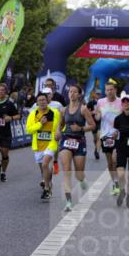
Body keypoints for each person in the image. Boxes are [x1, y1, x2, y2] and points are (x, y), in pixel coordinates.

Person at [57, 83, 96, 212]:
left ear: (79, 95)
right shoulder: (64, 110)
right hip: (66, 140)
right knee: (67, 170)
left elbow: (93, 125)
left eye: (75, 92)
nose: (72, 94)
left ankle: (82, 180)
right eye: (70, 91)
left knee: (79, 173)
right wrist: (58, 131)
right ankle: (68, 202)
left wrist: (80, 128)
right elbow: (60, 124)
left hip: (79, 141)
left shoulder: (83, 109)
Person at [25, 92, 61, 201]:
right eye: (40, 100)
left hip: (51, 143)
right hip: (38, 145)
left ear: (47, 101)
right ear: (37, 102)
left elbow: (61, 125)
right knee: (43, 169)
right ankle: (48, 183)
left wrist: (59, 132)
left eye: (44, 100)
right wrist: (40, 124)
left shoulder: (55, 112)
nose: (42, 102)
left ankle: (46, 189)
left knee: (45, 164)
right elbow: (28, 130)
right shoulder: (33, 114)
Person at [94, 82, 124, 196]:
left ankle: (119, 182)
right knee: (110, 163)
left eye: (111, 89)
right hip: (105, 136)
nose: (109, 92)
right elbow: (97, 116)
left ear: (115, 90)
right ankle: (115, 183)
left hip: (118, 135)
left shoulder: (121, 102)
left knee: (115, 159)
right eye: (107, 90)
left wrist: (119, 130)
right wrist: (97, 115)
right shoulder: (100, 102)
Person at [86, 88, 102, 160]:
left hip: (101, 122)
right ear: (94, 94)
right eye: (97, 94)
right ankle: (96, 147)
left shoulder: (102, 102)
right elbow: (86, 111)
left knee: (99, 137)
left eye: (99, 94)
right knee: (95, 138)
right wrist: (92, 112)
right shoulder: (91, 102)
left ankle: (97, 151)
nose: (98, 95)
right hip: (93, 122)